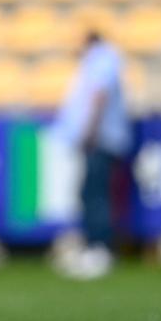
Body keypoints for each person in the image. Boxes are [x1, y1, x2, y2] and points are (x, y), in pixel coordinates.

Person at [51, 31, 132, 279]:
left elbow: (99, 96)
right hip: (100, 138)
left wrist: (90, 131)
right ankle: (94, 246)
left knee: (96, 194)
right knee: (91, 192)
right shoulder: (100, 61)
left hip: (101, 139)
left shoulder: (102, 59)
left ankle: (100, 248)